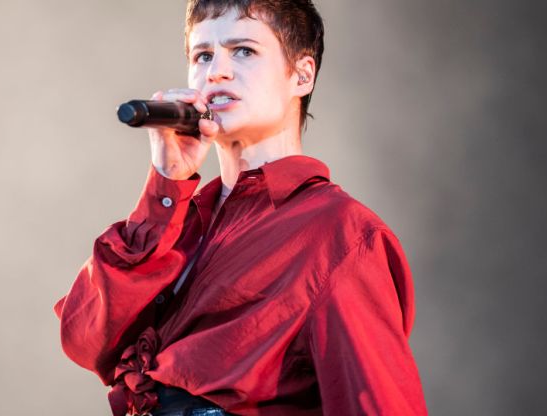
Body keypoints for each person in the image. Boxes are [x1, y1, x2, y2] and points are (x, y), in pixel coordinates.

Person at [54, 0, 428, 414]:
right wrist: (166, 185)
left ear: (302, 75)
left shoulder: (342, 235)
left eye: (244, 51)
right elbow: (86, 340)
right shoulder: (181, 218)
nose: (216, 71)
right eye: (203, 55)